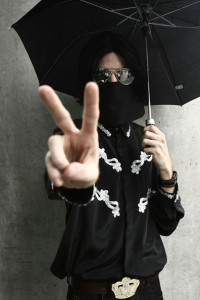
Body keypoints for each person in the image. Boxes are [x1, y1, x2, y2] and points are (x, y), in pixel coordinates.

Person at [39, 32, 184, 300]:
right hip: (92, 293)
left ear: (134, 79)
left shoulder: (148, 139)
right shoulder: (71, 136)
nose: (115, 82)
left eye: (124, 75)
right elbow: (57, 185)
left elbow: (167, 225)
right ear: (90, 82)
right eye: (104, 76)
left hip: (148, 291)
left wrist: (166, 172)